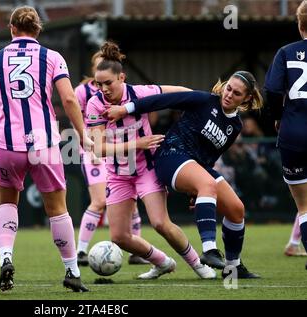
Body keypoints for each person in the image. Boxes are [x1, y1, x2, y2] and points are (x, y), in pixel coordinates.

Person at [105, 70, 264, 279]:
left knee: (236, 209)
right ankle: (209, 251)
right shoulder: (204, 100)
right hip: (170, 155)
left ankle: (232, 268)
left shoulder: (235, 126)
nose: (229, 94)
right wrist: (125, 109)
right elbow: (162, 101)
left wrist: (197, 189)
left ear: (247, 99)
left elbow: (209, 157)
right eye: (228, 88)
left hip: (197, 166)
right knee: (207, 184)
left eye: (236, 94)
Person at [0, 6, 91, 292]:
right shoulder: (52, 57)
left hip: (7, 143)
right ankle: (72, 271)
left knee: (7, 203)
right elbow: (68, 99)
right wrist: (83, 134)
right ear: (38, 29)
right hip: (44, 144)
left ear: (11, 29)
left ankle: (6, 257)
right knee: (57, 209)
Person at [86, 41, 216, 280]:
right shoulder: (94, 104)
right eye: (98, 83)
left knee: (159, 223)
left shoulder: (140, 93)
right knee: (119, 236)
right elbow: (100, 150)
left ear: (122, 78)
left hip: (148, 169)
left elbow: (178, 92)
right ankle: (163, 262)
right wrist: (139, 143)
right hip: (118, 175)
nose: (103, 88)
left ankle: (199, 265)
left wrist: (207, 101)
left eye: (108, 83)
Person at [75, 50, 148, 266]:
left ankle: (138, 252)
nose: (104, 86)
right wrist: (88, 146)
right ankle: (80, 252)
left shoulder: (123, 91)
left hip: (120, 151)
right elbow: (76, 119)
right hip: (94, 150)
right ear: (94, 70)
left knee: (132, 204)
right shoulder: (82, 91)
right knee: (98, 201)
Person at [264, 0, 307, 268]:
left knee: (303, 206)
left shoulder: (286, 52)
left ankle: (297, 243)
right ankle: (293, 244)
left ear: (300, 24)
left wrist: (278, 119)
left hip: (294, 134)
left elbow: (271, 91)